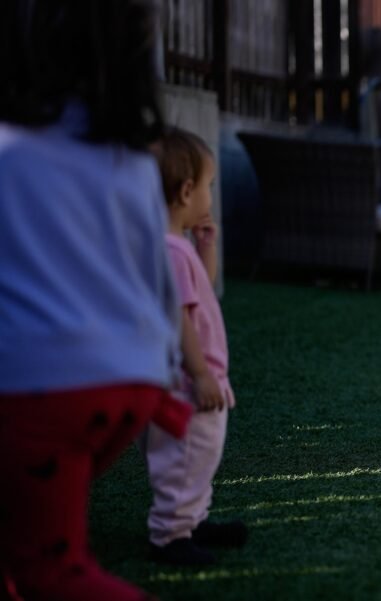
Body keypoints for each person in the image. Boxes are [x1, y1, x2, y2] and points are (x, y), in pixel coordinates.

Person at [0, 1, 191, 599]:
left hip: (44, 388)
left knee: (54, 572)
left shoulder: (10, 149)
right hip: (130, 384)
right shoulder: (128, 159)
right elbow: (158, 278)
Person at [143, 128, 247, 566]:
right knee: (185, 458)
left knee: (200, 457)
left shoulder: (176, 247)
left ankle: (192, 521)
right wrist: (201, 373)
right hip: (188, 384)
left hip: (194, 379)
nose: (209, 196)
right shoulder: (170, 251)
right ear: (186, 192)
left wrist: (206, 247)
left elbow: (200, 286)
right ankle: (170, 535)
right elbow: (179, 316)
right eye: (208, 186)